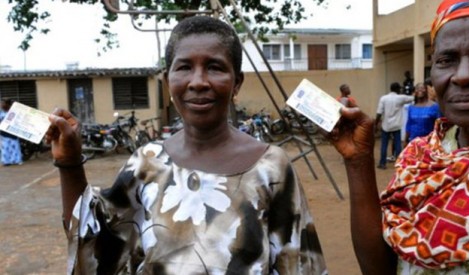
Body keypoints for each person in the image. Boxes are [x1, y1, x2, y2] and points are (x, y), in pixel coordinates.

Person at [46, 16, 327, 274]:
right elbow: (95, 243)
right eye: (184, 67)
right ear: (169, 81)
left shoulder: (271, 168)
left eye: (215, 67)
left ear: (236, 83)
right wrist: (69, 163)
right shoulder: (146, 163)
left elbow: (301, 264)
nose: (198, 82)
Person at [328, 0, 469, 274]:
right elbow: (381, 269)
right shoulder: (417, 158)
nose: (463, 76)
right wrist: (358, 162)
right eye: (446, 60)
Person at [375, 82, 413, 169]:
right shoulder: (401, 98)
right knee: (398, 144)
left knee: (384, 144)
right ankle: (399, 163)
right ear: (398, 89)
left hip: (386, 125)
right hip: (396, 125)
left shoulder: (383, 98)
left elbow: (379, 113)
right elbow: (413, 98)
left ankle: (382, 163)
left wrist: (376, 124)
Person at [0, 98, 23, 166]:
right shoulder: (1, 113)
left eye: (3, 103)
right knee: (5, 148)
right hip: (3, 134)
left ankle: (16, 160)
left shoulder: (13, 112)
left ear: (7, 104)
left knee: (14, 147)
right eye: (1, 103)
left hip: (12, 133)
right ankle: (6, 161)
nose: (1, 105)